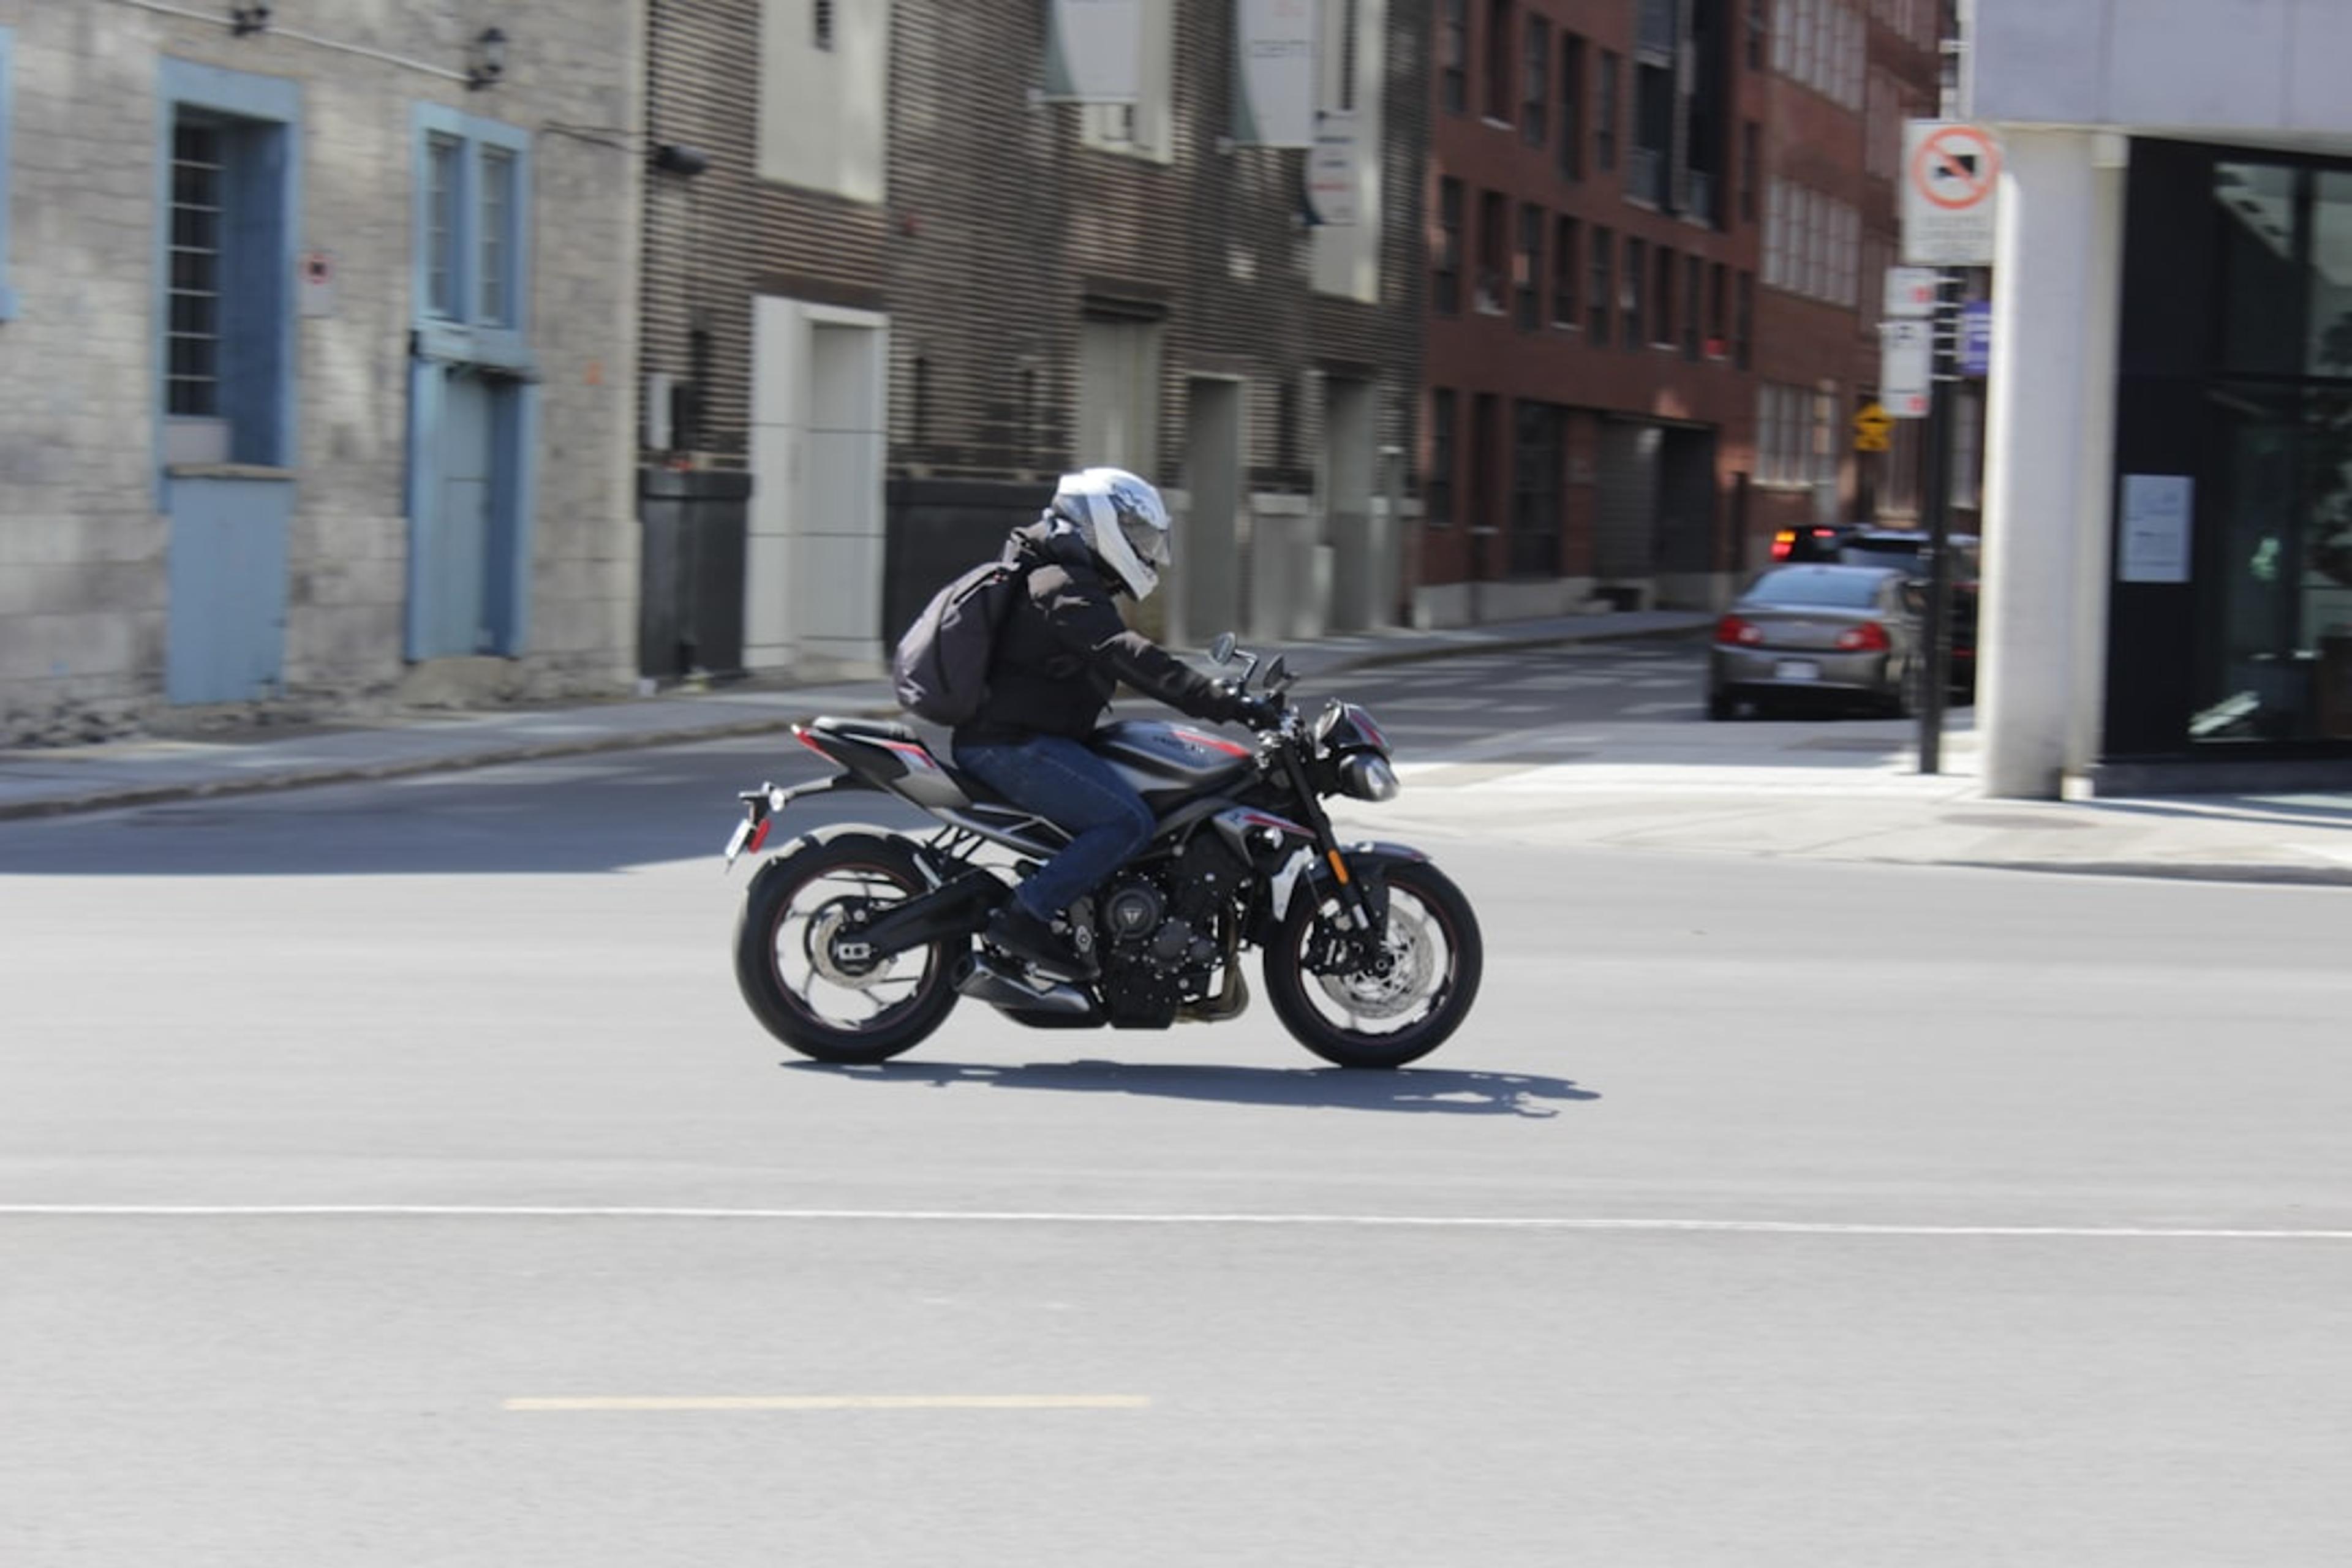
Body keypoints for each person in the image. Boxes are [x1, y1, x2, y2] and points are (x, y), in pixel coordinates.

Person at [954, 467, 1277, 982]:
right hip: (1011, 746)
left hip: (1029, 739)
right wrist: (1221, 701)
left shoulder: (1063, 576)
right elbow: (1127, 655)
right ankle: (1025, 916)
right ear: (1099, 524)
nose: (1146, 550)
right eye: (1138, 535)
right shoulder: (1060, 583)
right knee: (1126, 822)